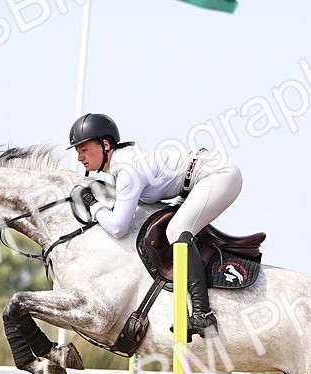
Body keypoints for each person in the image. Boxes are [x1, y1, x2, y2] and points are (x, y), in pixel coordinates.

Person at [67, 112, 243, 338]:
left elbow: (119, 227)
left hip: (218, 175)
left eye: (83, 149)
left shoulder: (127, 170)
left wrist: (94, 208)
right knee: (174, 226)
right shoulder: (118, 168)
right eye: (77, 151)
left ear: (105, 144)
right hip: (198, 180)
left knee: (176, 231)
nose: (79, 157)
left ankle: (203, 313)